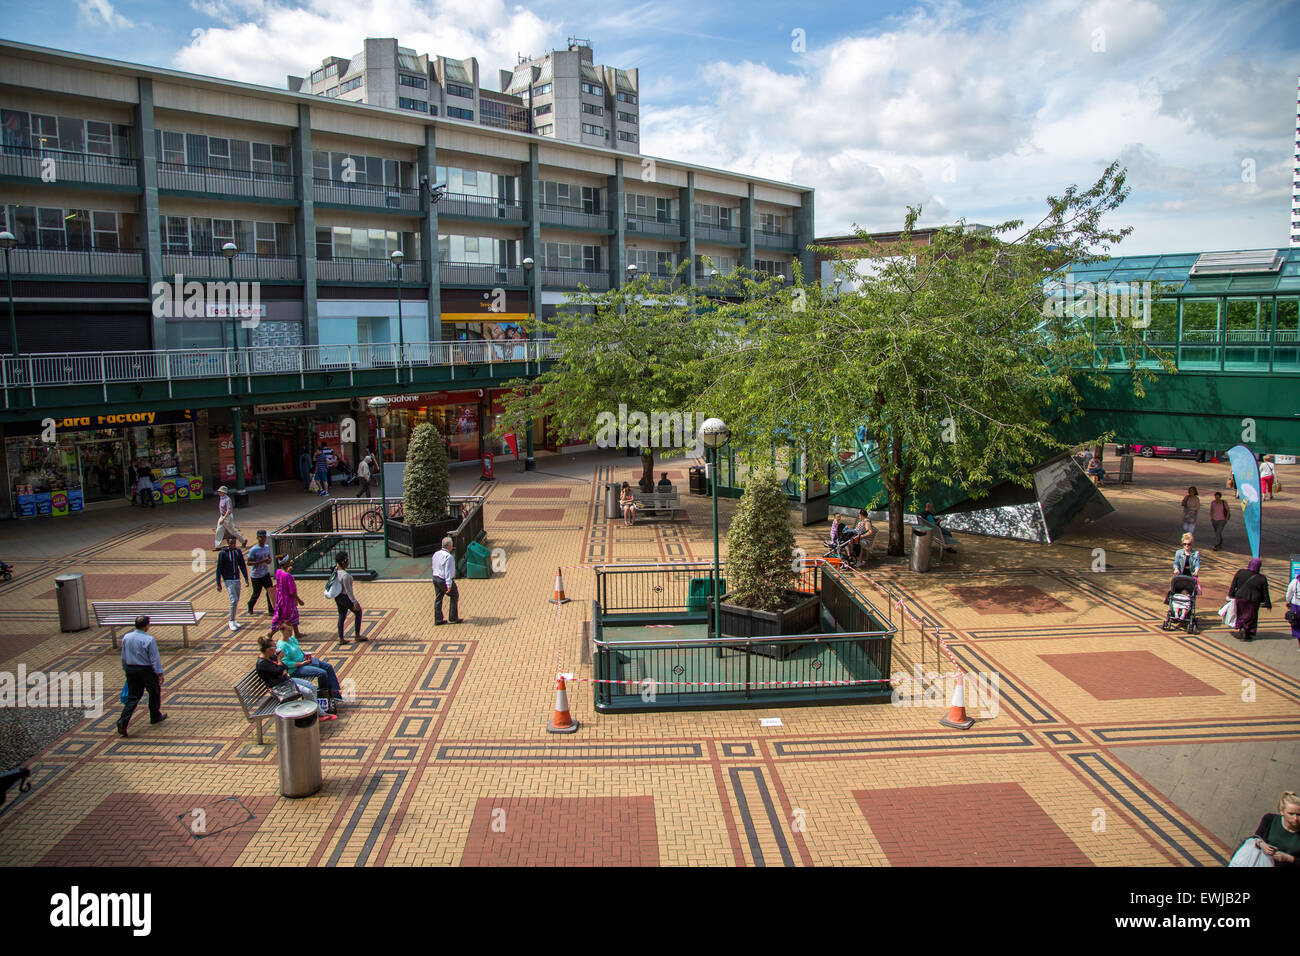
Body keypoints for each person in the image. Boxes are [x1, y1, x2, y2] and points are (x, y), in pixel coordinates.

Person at [255, 635, 336, 718]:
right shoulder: (262, 664)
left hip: (286, 681)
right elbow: (279, 671)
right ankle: (320, 714)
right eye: (274, 647)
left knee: (312, 686)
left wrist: (281, 668)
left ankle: (313, 712)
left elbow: (284, 667)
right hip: (279, 688)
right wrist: (279, 661)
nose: (276, 649)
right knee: (308, 692)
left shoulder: (271, 657)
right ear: (267, 649)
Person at [116, 615, 165, 737]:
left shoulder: (126, 637)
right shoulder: (149, 640)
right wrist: (159, 673)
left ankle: (123, 720)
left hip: (131, 669)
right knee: (154, 692)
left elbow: (123, 656)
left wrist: (125, 668)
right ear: (146, 626)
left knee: (133, 696)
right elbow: (154, 658)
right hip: (146, 670)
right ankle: (155, 716)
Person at [277, 626, 341, 701]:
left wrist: (305, 655)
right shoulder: (282, 645)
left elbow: (298, 650)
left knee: (328, 666)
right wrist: (301, 664)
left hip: (305, 661)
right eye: (288, 631)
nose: (291, 632)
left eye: (291, 630)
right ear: (282, 631)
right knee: (322, 673)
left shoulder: (292, 639)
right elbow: (286, 663)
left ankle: (335, 692)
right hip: (296, 669)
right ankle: (323, 693)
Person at [1250, 792, 1300, 867]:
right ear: (1282, 811)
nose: (1295, 818)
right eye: (1291, 814)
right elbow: (1256, 837)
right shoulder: (1270, 819)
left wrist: (1289, 858)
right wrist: (1261, 844)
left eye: (1299, 814)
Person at [1227, 557, 1272, 642]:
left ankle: (1241, 627)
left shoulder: (1240, 572)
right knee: (1251, 616)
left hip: (1240, 597)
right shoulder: (1261, 578)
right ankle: (1247, 632)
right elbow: (1265, 593)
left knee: (1241, 614)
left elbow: (1233, 584)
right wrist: (1268, 604)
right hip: (1254, 600)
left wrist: (1230, 594)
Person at [215, 535, 249, 632]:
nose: (232, 545)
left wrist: (246, 577)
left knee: (236, 599)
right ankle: (231, 620)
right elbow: (219, 568)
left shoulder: (237, 552)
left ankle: (234, 619)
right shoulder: (223, 553)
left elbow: (242, 565)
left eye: (234, 543)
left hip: (236, 578)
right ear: (227, 543)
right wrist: (218, 583)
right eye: (231, 543)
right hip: (228, 579)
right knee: (233, 600)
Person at [332, 551, 364, 645]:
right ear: (344, 562)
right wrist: (354, 602)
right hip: (344, 597)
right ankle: (357, 635)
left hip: (337, 596)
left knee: (341, 615)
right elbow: (349, 591)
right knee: (358, 612)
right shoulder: (345, 576)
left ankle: (341, 638)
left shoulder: (335, 570)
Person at [270, 556, 305, 640]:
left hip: (280, 599)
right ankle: (270, 634)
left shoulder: (278, 572)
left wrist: (287, 571)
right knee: (285, 618)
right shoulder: (288, 576)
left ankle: (297, 633)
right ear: (285, 563)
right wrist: (299, 600)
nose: (290, 562)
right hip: (287, 601)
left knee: (294, 615)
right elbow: (292, 591)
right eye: (288, 561)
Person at [431, 535, 462, 625]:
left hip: (436, 578)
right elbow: (448, 572)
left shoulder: (436, 554)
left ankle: (438, 619)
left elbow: (433, 566)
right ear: (449, 546)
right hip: (443, 580)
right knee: (454, 595)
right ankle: (453, 617)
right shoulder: (449, 557)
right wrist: (449, 585)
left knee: (438, 598)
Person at [246, 530, 275, 616]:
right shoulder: (253, 550)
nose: (262, 539)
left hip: (265, 574)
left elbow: (269, 558)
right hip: (256, 576)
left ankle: (271, 610)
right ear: (257, 538)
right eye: (260, 537)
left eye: (263, 537)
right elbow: (249, 563)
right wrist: (261, 561)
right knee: (256, 593)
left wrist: (269, 561)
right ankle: (250, 605)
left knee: (270, 591)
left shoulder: (266, 547)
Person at [1286, 569, 1300, 652]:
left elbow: (1289, 594)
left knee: (1296, 625)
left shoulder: (1295, 582)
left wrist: (1288, 602)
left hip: (1296, 607)